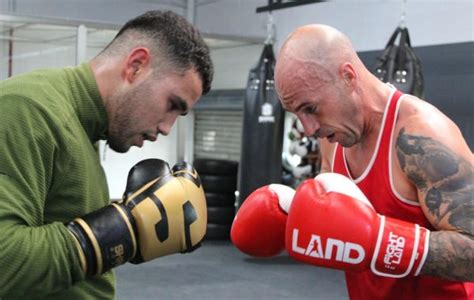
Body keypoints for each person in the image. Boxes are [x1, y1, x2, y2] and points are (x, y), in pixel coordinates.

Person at [231, 24, 473, 299]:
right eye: (297, 113)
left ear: (348, 76)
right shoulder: (331, 138)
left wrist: (381, 241)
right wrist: (293, 217)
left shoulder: (421, 134)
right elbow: (339, 224)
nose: (309, 128)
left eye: (311, 108)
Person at [0, 10, 213, 299]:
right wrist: (125, 229)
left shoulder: (86, 125)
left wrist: (127, 220)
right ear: (136, 66)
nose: (167, 127)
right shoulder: (26, 110)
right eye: (172, 105)